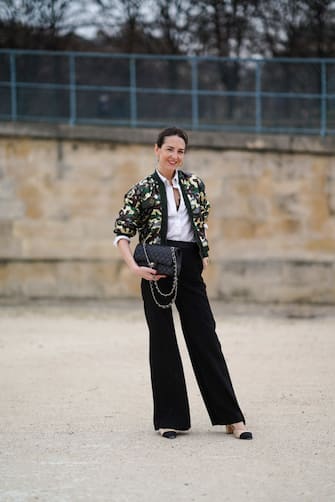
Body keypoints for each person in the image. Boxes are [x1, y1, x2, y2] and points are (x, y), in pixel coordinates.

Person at [114, 126, 252, 440]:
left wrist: (203, 253)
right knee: (162, 341)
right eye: (170, 149)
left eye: (180, 151)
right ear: (157, 150)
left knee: (205, 337)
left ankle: (231, 417)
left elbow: (199, 222)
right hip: (156, 266)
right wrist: (134, 267)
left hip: (188, 265)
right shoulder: (141, 189)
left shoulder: (194, 184)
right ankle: (170, 419)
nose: (175, 156)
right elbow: (121, 233)